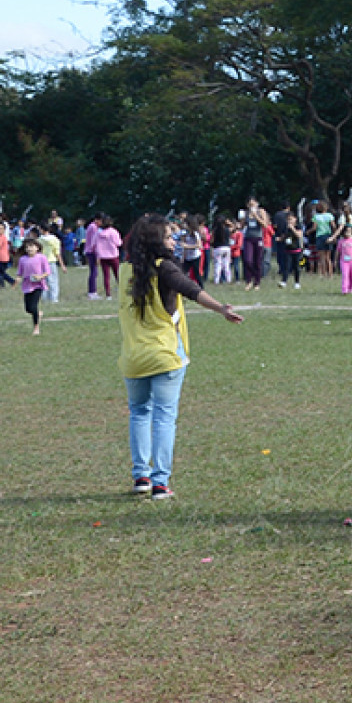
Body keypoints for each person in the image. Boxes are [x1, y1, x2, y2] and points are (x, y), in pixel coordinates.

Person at [118, 213, 244, 498]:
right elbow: (191, 290)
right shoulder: (165, 269)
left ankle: (141, 477)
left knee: (139, 413)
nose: (173, 240)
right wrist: (221, 309)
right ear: (154, 241)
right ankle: (160, 482)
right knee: (164, 417)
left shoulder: (125, 270)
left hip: (133, 356)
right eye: (167, 236)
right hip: (165, 355)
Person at [19, 236, 52, 335]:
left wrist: (40, 276)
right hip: (27, 286)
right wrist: (17, 279)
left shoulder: (42, 257)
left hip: (38, 285)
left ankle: (36, 328)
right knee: (28, 309)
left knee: (33, 306)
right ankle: (37, 314)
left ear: (37, 247)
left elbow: (47, 272)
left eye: (31, 246)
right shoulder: (22, 259)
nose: (29, 249)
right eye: (27, 247)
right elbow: (19, 273)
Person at [337, 209, 352, 295]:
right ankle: (344, 290)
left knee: (351, 276)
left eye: (349, 232)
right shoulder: (341, 241)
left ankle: (351, 288)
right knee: (345, 275)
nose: (348, 233)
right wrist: (335, 260)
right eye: (346, 232)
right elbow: (338, 251)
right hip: (343, 261)